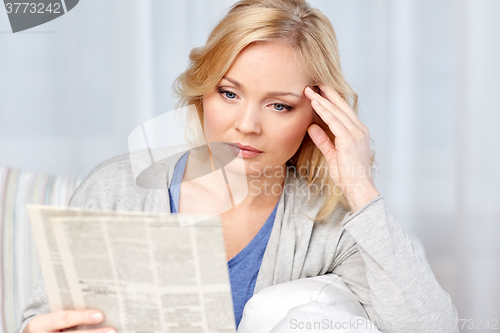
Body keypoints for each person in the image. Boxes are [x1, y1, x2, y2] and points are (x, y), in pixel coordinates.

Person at [16, 0, 459, 332]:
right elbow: (43, 317)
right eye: (229, 94)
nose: (246, 125)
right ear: (203, 91)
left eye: (280, 106)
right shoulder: (117, 188)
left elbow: (430, 327)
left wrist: (361, 187)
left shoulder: (328, 221)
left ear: (317, 116)